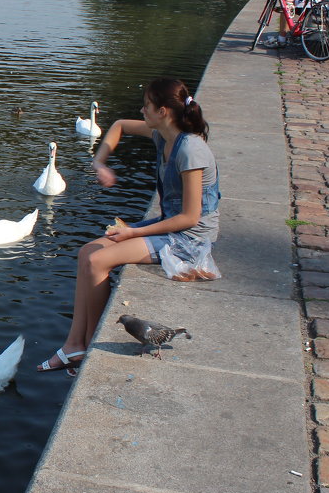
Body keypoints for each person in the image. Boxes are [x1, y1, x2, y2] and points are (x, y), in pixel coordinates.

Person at [38, 78, 220, 373]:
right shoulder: (162, 134)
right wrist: (100, 162)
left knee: (98, 260)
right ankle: (75, 344)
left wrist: (134, 232)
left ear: (163, 111)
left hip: (190, 237)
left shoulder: (190, 151)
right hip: (169, 223)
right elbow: (119, 125)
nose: (142, 109)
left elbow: (190, 217)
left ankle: (87, 343)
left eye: (147, 105)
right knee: (86, 252)